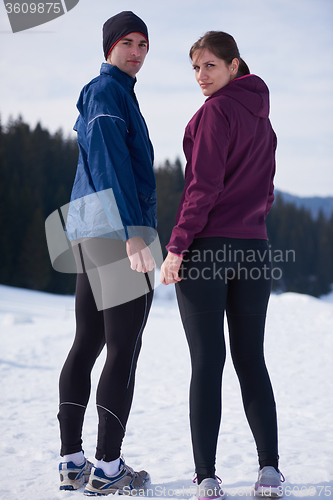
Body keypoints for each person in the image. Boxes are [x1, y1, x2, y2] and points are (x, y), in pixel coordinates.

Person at [160, 31, 284, 499]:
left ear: (235, 65)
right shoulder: (264, 120)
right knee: (251, 359)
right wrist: (248, 223)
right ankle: (269, 470)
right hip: (254, 249)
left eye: (210, 65)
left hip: (208, 251)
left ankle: (208, 477)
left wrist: (177, 248)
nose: (201, 76)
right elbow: (268, 191)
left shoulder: (215, 112)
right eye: (195, 68)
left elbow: (202, 189)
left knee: (208, 362)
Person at [57, 11, 157, 496]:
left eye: (143, 44)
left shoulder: (115, 94)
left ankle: (73, 464)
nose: (137, 51)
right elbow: (111, 167)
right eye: (128, 42)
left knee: (89, 345)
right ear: (109, 47)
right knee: (122, 349)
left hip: (90, 232)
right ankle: (108, 469)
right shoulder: (107, 94)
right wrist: (133, 235)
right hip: (117, 235)